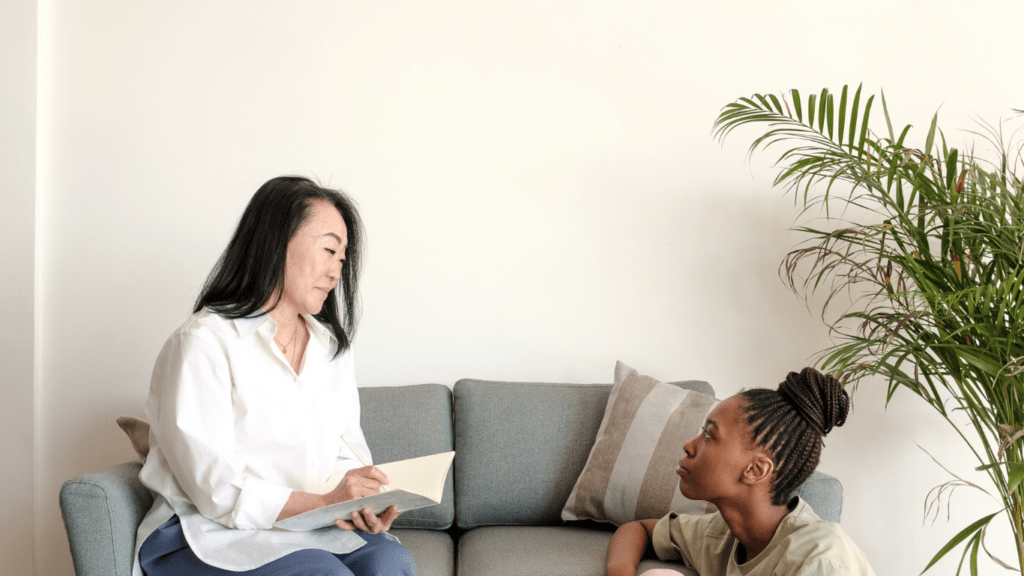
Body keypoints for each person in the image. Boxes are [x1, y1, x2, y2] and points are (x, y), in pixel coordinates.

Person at [132, 176, 417, 576]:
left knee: (391, 561)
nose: (337, 272)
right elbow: (216, 491)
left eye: (342, 258)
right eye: (329, 249)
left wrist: (360, 501)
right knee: (322, 574)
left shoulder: (330, 348)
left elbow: (345, 454)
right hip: (205, 533)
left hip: (307, 528)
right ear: (276, 243)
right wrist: (321, 504)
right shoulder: (202, 343)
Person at [606, 368, 875, 576]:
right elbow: (639, 528)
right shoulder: (721, 534)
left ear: (755, 469)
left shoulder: (823, 559)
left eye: (709, 435)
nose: (690, 446)